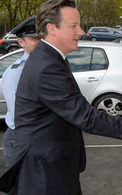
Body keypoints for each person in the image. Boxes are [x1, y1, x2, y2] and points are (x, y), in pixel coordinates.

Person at [0, 0, 122, 194]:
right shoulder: (47, 66)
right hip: (45, 172)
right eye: (74, 26)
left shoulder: (49, 59)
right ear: (51, 28)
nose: (82, 32)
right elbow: (85, 116)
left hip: (52, 165)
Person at [0, 16, 40, 195]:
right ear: (21, 42)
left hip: (38, 137)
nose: (39, 43)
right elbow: (20, 115)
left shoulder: (47, 66)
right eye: (34, 39)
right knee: (18, 188)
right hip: (20, 138)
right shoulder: (16, 72)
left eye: (41, 38)